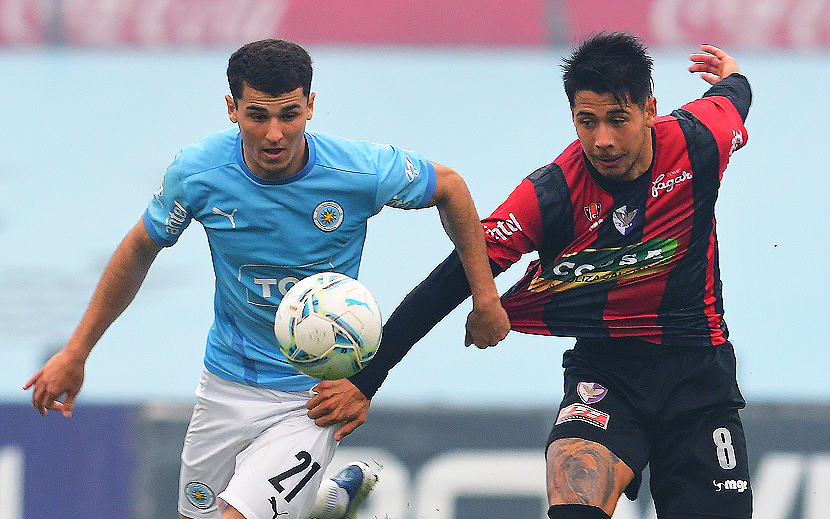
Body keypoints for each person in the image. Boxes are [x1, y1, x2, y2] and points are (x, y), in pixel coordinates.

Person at [24, 39, 510, 519]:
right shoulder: (199, 174)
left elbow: (450, 187)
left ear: (311, 106)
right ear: (232, 108)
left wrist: (484, 297)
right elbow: (137, 251)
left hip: (314, 394)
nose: (275, 134)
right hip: (224, 385)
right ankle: (329, 507)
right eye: (258, 115)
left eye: (290, 115)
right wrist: (76, 352)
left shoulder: (356, 172)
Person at [312, 33, 753, 519]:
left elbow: (735, 97)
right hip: (605, 377)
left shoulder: (701, 139)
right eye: (587, 121)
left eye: (618, 120)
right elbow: (453, 276)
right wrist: (367, 379)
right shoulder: (554, 192)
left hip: (698, 377)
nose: (602, 140)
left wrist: (731, 76)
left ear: (650, 109)